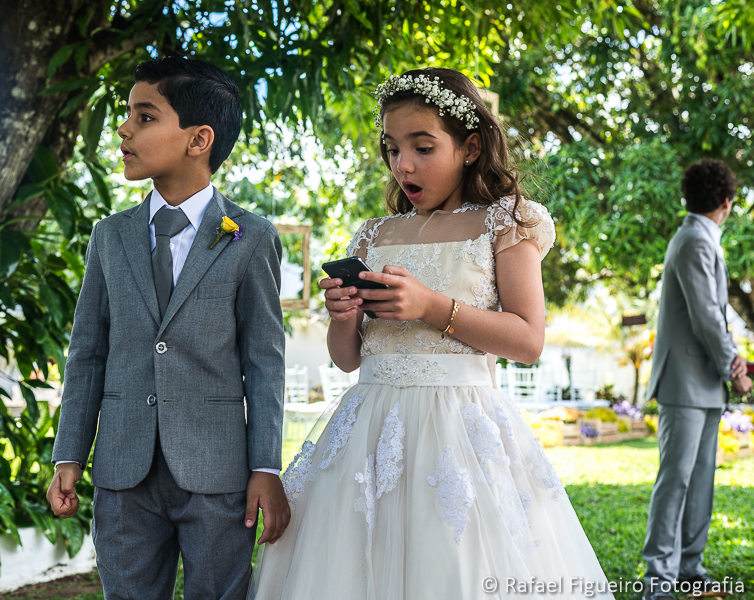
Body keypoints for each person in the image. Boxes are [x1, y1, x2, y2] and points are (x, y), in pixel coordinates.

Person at [248, 68, 614, 599]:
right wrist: (345, 315)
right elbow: (349, 360)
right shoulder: (376, 233)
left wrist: (430, 306)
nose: (403, 165)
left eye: (422, 147)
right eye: (392, 149)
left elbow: (528, 340)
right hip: (368, 430)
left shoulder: (506, 221)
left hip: (458, 428)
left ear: (469, 147)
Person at [45, 56, 290, 600]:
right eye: (127, 115)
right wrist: (70, 454)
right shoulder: (110, 237)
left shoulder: (249, 237)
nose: (124, 129)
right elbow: (87, 352)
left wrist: (265, 467)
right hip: (122, 474)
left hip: (218, 475)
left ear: (198, 139)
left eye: (145, 117)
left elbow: (264, 361)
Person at [641, 159, 751, 600]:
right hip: (686, 383)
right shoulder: (693, 241)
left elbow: (710, 317)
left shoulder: (700, 239)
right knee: (676, 480)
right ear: (726, 203)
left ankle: (689, 566)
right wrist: (734, 369)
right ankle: (658, 580)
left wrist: (731, 363)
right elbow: (708, 316)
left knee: (701, 477)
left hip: (702, 384)